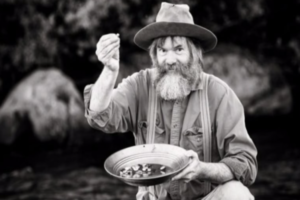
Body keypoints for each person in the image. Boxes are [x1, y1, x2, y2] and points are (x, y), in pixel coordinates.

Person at [84, 2, 257, 200]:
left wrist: (202, 170)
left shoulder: (220, 95)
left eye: (178, 49)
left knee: (237, 194)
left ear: (195, 52)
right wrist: (109, 70)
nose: (170, 59)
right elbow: (99, 116)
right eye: (162, 50)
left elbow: (246, 164)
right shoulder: (139, 85)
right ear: (154, 55)